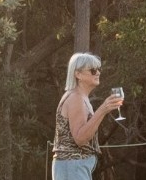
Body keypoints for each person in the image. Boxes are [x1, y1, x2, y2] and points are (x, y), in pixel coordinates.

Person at [53, 52, 125, 180]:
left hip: (74, 165)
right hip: (73, 164)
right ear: (78, 74)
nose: (98, 73)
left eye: (98, 69)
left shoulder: (80, 97)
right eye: (92, 70)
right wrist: (103, 109)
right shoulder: (76, 98)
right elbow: (80, 139)